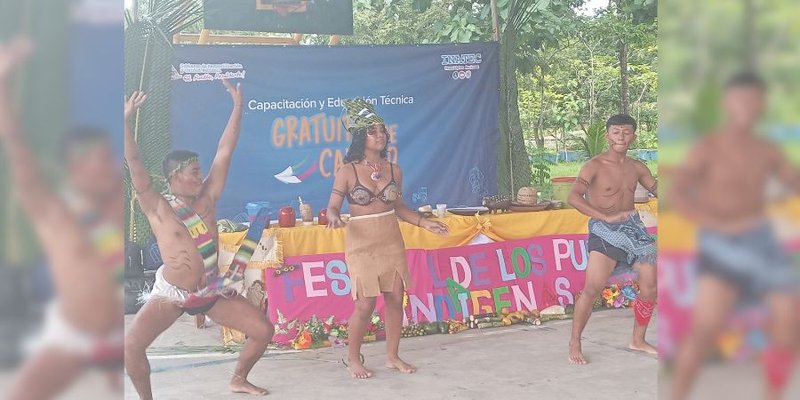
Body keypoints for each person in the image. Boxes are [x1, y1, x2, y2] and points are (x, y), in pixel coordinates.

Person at [123, 81, 274, 398]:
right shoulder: (159, 206)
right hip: (173, 293)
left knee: (263, 331)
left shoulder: (208, 197)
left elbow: (225, 150)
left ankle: (238, 378)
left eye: (199, 169)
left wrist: (238, 107)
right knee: (130, 346)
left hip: (211, 289)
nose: (199, 175)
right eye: (193, 171)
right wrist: (125, 121)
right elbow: (136, 167)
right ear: (174, 176)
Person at [0, 37, 126, 399]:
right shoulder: (54, 210)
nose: (108, 164)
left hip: (120, 335)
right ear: (74, 169)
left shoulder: (117, 200)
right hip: (74, 337)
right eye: (99, 158)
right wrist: (3, 83)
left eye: (109, 156)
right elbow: (16, 148)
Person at [669, 72, 800, 400]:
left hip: (762, 239)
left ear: (762, 105)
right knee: (704, 329)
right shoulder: (708, 146)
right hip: (720, 242)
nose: (747, 107)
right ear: (728, 103)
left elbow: (792, 180)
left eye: (754, 100)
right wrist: (712, 222)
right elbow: (679, 195)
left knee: (790, 323)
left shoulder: (767, 149)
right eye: (740, 99)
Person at [326, 98, 449, 379]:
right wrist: (333, 216)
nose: (380, 135)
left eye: (382, 130)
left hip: (390, 240)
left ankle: (393, 356)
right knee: (366, 304)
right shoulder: (347, 171)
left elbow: (399, 207)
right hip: (362, 244)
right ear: (360, 136)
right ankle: (353, 358)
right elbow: (333, 206)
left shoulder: (395, 170)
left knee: (395, 299)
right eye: (372, 131)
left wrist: (425, 223)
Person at [567, 114, 658, 364]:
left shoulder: (637, 166)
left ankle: (638, 340)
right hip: (604, 229)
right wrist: (603, 217)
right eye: (616, 132)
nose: (621, 136)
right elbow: (573, 197)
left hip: (633, 229)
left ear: (634, 136)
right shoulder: (594, 165)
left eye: (626, 132)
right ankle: (575, 340)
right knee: (592, 288)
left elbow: (657, 188)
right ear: (607, 135)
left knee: (651, 283)